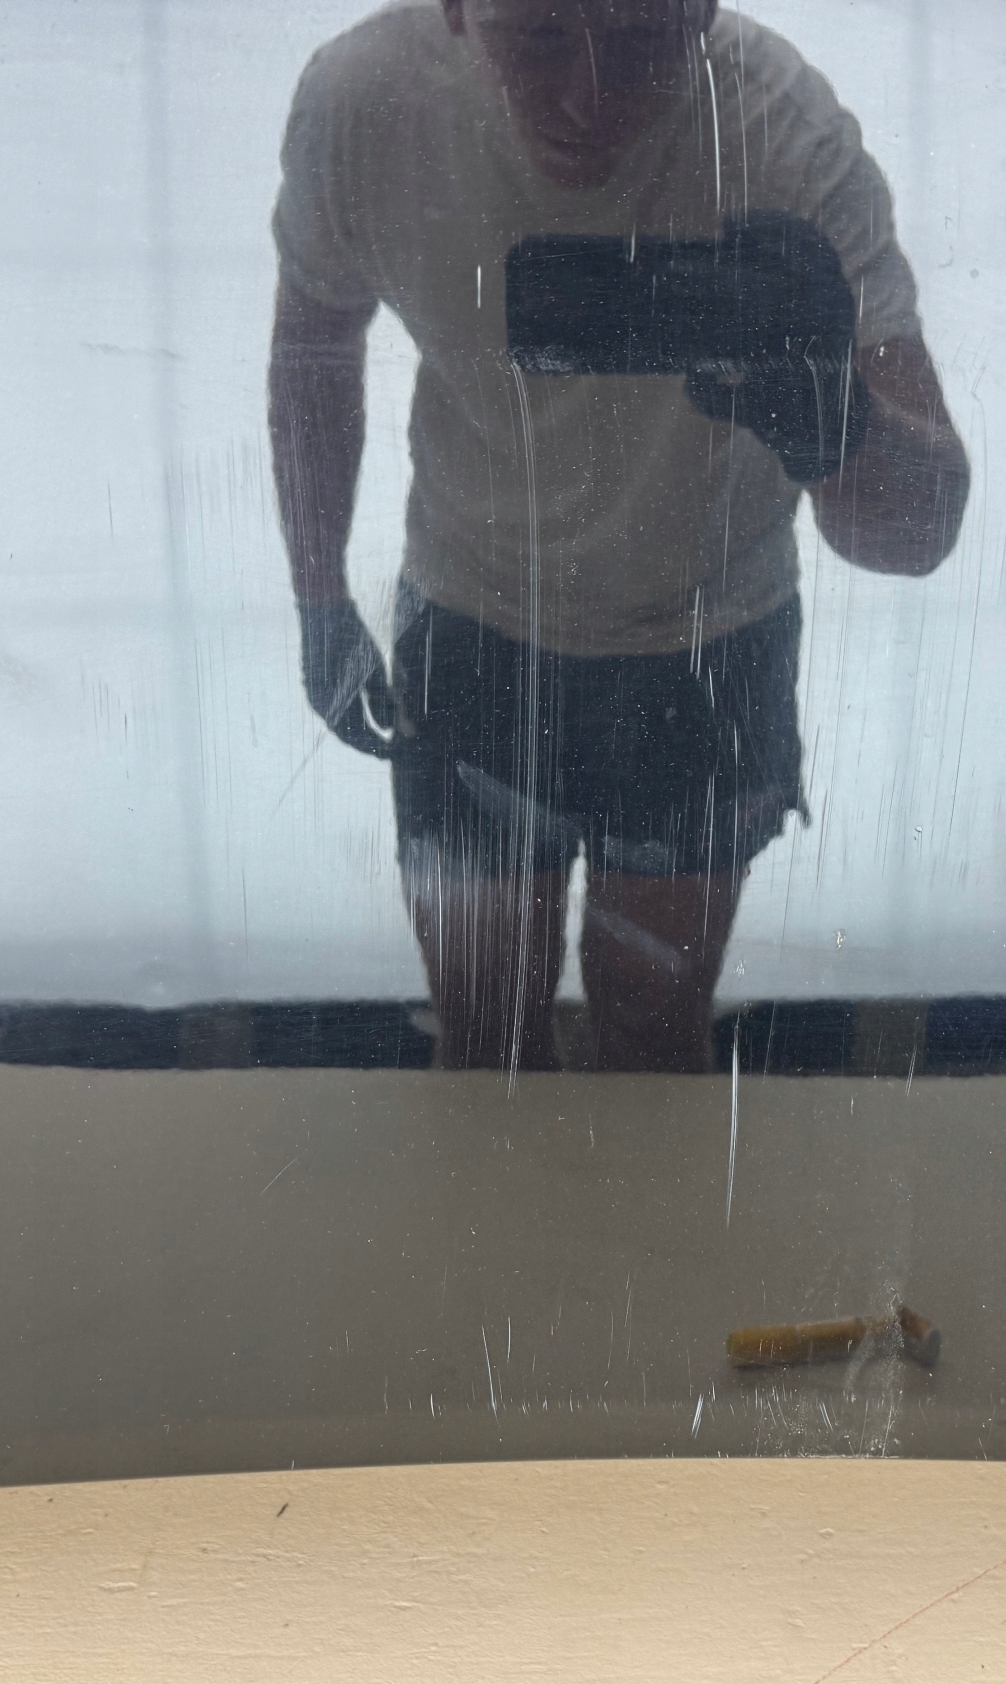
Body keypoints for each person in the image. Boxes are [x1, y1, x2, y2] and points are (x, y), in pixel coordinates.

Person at [268, 0, 968, 1072]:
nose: (588, 97)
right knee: (487, 1029)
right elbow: (315, 342)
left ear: (701, 10)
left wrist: (831, 417)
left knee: (647, 1028)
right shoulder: (367, 100)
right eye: (541, 36)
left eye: (641, 38)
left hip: (702, 634)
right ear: (457, 7)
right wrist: (316, 594)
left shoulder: (782, 133)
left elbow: (919, 535)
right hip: (481, 613)